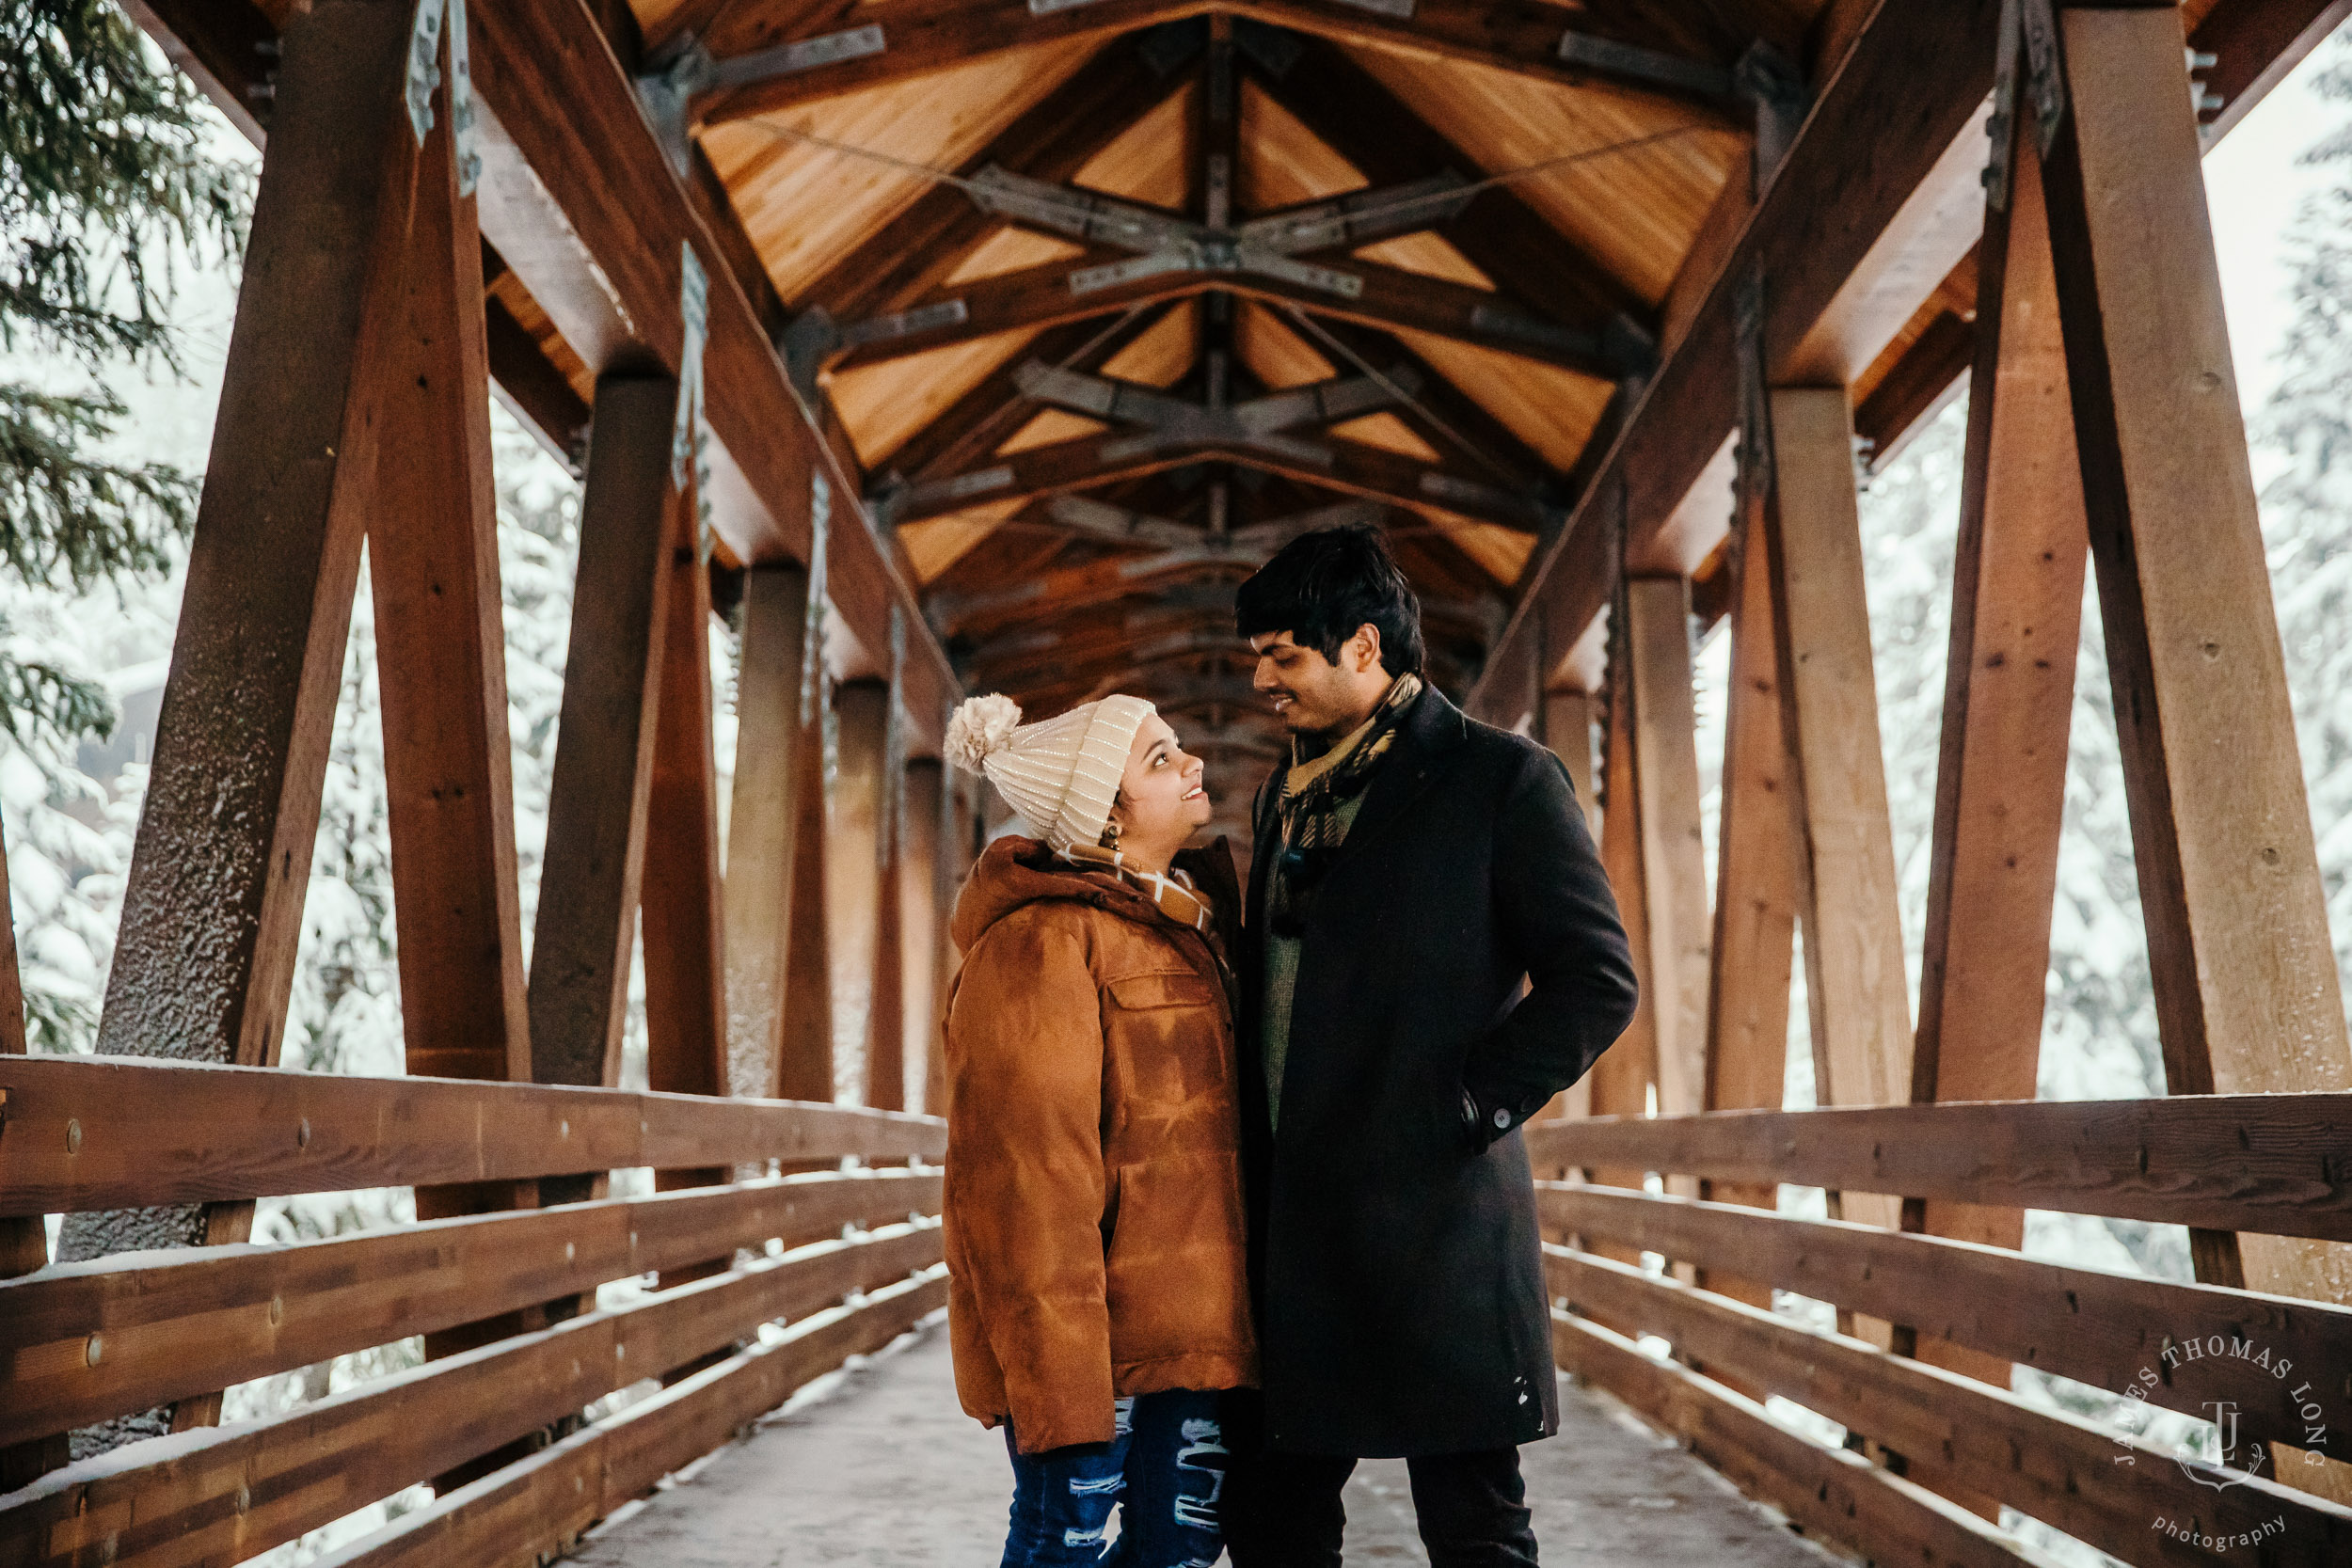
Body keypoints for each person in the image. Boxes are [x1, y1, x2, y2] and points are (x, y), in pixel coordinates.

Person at [1219, 525, 1640, 1567]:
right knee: (1272, 1519)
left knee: (1474, 1528)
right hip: (1296, 1229)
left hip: (1434, 1226)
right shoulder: (1287, 790)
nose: (1261, 678)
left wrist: (1463, 1106)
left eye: (1284, 654)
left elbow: (1597, 981)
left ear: (1363, 647)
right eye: (1254, 655)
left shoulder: (1499, 778)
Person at [939, 690, 1255, 1568]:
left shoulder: (1181, 932)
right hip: (1092, 1349)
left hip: (1192, 1340)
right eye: (1159, 759)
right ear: (1103, 819)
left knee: (1179, 1555)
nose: (1192, 763)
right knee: (1060, 1548)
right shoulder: (1038, 945)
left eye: (1180, 746)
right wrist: (1060, 1380)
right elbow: (1025, 1181)